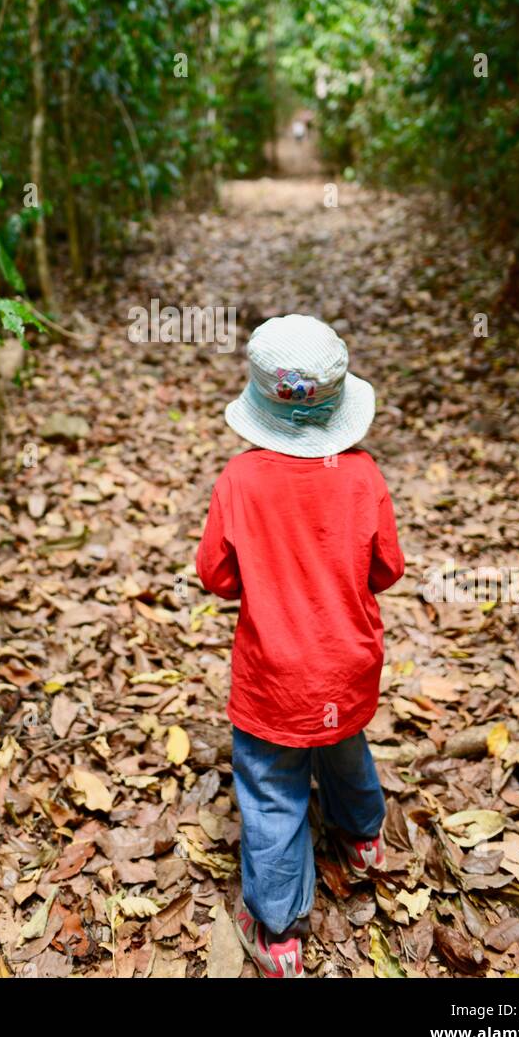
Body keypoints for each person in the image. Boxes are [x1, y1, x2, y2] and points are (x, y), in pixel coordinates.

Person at [196, 314, 404, 978]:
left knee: (271, 786)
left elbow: (217, 575)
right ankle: (364, 838)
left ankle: (279, 931)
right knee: (342, 744)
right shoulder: (363, 476)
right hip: (346, 660)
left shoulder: (239, 480)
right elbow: (387, 569)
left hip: (273, 673)